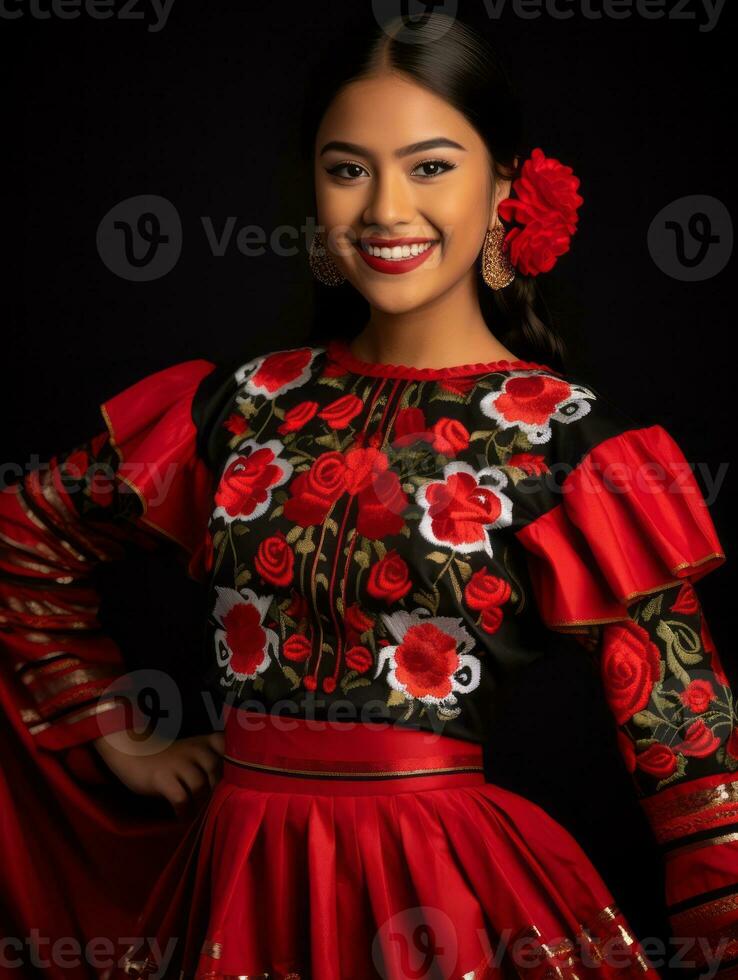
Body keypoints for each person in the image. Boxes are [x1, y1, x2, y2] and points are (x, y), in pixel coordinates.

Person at [3, 13, 735, 980]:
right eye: (349, 169)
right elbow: (28, 534)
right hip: (238, 880)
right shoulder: (243, 406)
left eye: (431, 167)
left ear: (507, 187)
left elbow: (692, 749)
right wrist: (114, 731)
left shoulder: (565, 441)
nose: (386, 208)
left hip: (438, 892)